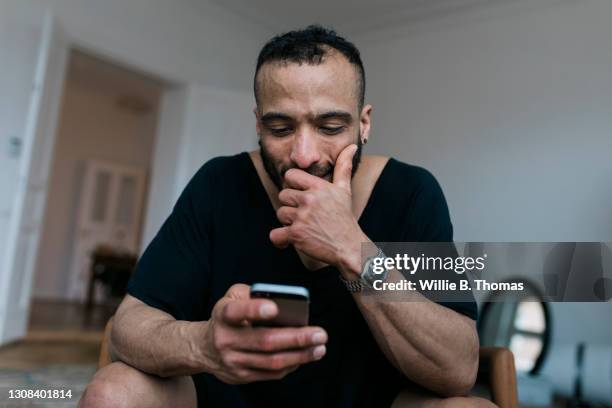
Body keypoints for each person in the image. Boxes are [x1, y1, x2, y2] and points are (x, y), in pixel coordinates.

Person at [79, 26, 494, 408]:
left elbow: (458, 369)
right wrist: (201, 344)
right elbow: (127, 329)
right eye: (280, 128)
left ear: (364, 124)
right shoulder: (219, 183)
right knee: (113, 392)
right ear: (258, 124)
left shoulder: (411, 192)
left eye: (330, 126)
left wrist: (351, 248)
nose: (304, 155)